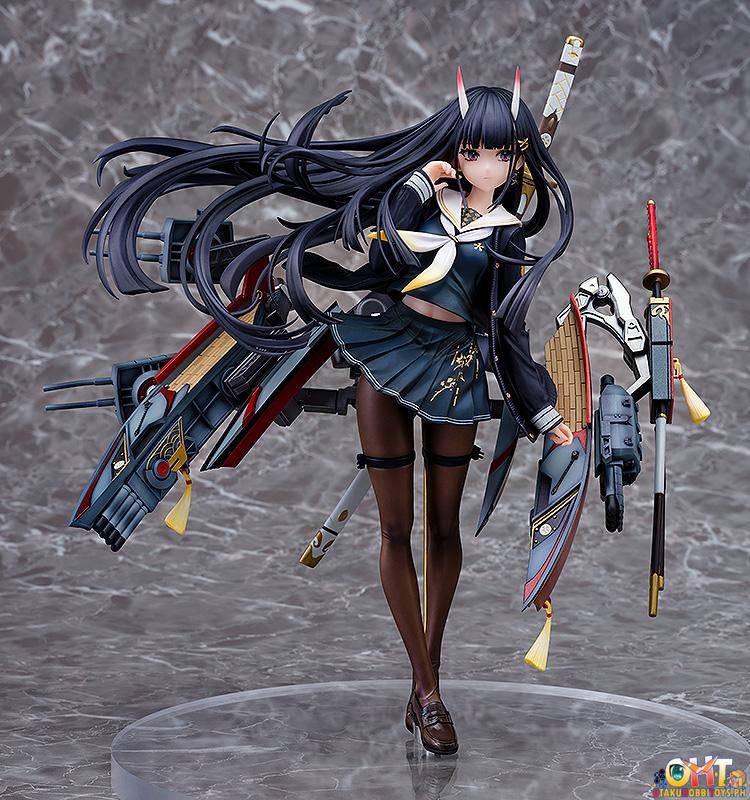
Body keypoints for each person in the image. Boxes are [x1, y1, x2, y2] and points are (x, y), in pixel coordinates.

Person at [83, 67, 575, 755]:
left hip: (456, 368)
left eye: (502, 153)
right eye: (473, 151)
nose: (486, 165)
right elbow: (375, 235)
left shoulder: (507, 234)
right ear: (456, 150)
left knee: (444, 529)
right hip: (388, 350)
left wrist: (546, 413)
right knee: (396, 528)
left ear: (517, 157)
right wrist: (419, 181)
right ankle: (430, 694)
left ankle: (425, 682)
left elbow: (509, 331)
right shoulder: (419, 200)